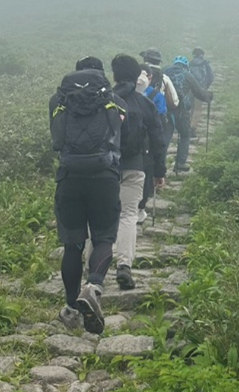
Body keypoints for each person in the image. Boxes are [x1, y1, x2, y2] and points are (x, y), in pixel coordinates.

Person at [49, 56, 126, 334]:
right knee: (104, 237)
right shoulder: (114, 100)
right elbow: (121, 137)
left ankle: (71, 309)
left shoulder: (57, 101)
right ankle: (93, 286)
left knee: (73, 245)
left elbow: (55, 140)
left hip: (69, 177)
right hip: (104, 176)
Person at [110, 54, 165, 290]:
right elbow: (158, 140)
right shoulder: (145, 104)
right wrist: (159, 172)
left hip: (105, 167)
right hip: (134, 166)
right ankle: (124, 265)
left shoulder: (105, 99)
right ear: (138, 76)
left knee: (101, 216)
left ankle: (93, 267)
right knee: (129, 214)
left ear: (114, 75)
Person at [136, 63, 178, 224]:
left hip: (129, 145)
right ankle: (141, 207)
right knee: (146, 173)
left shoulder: (122, 95)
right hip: (148, 143)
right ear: (150, 77)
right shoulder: (156, 96)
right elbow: (160, 120)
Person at [164, 55, 213, 174]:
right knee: (185, 134)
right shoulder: (187, 75)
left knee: (165, 137)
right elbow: (199, 93)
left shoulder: (164, 72)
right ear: (185, 66)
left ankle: (160, 163)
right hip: (182, 110)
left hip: (165, 110)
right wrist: (208, 97)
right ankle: (180, 163)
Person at [189, 47, 215, 138]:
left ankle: (187, 126)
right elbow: (211, 77)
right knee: (197, 109)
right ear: (202, 55)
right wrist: (205, 87)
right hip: (200, 89)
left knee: (190, 108)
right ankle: (192, 129)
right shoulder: (206, 64)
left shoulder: (190, 64)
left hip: (190, 89)